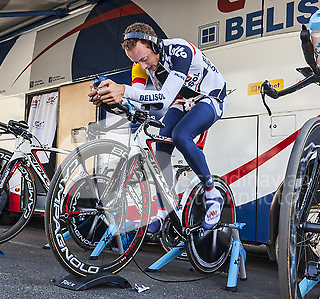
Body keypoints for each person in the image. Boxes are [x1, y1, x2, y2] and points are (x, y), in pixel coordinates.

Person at [88, 22, 227, 233]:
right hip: (182, 102)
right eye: (136, 62)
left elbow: (162, 100)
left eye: (144, 59)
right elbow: (135, 103)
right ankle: (164, 209)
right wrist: (109, 99)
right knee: (159, 144)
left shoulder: (179, 51)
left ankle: (212, 193)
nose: (143, 66)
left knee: (181, 135)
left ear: (154, 45)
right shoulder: (140, 65)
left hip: (209, 97)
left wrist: (122, 89)